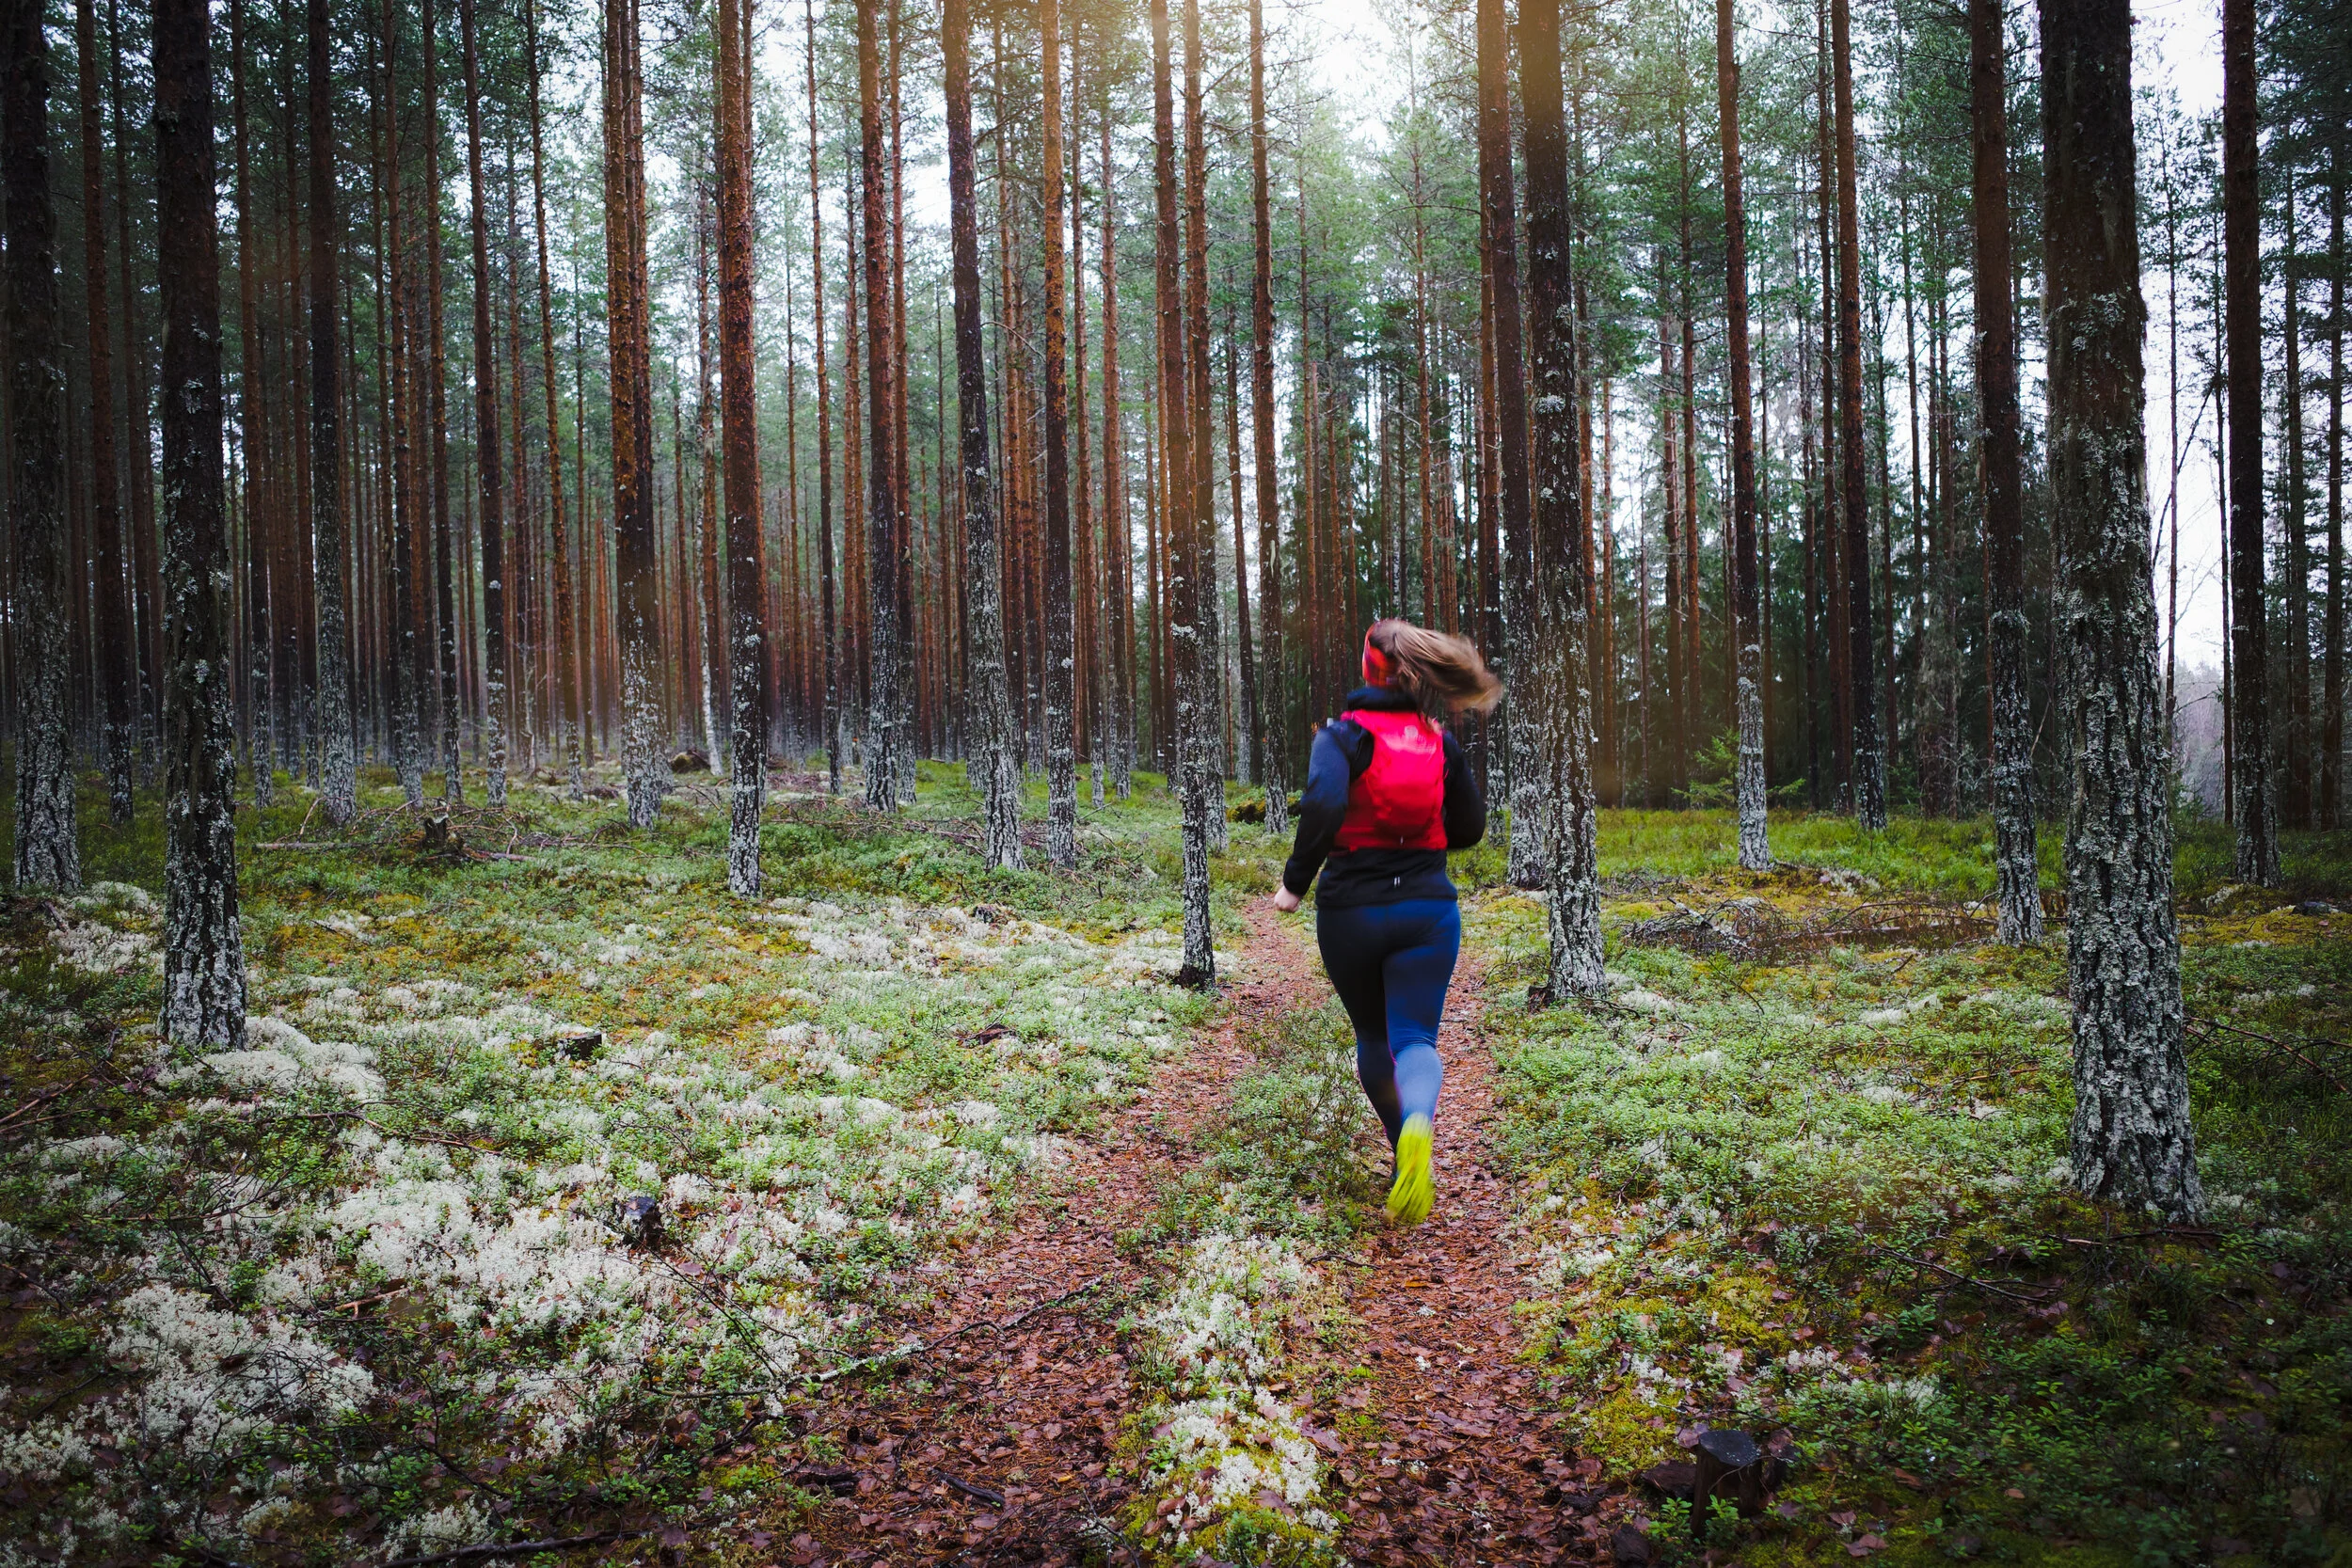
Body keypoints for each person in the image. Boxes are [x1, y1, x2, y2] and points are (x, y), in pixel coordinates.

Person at [1270, 618, 1497, 1225]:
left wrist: (1294, 884)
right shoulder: (1438, 741)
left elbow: (1323, 803)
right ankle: (1422, 1118)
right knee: (1416, 1039)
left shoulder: (1340, 737)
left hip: (1352, 913)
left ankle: (1404, 1152)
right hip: (1428, 911)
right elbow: (1470, 828)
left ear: (1368, 668)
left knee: (1373, 1039)